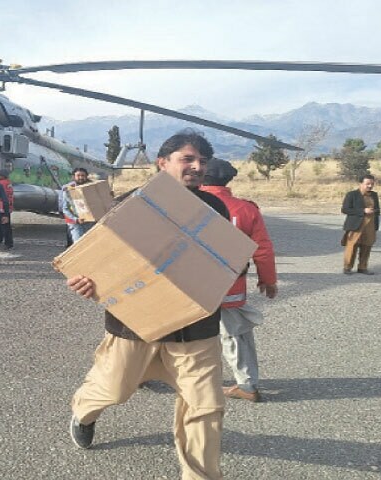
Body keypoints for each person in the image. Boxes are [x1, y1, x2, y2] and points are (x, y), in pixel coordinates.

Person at [67, 131, 230, 480]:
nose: (197, 167)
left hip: (196, 328)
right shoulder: (131, 203)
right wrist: (85, 281)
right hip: (135, 324)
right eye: (187, 159)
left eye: (202, 161)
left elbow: (229, 261)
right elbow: (92, 260)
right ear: (163, 163)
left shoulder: (215, 208)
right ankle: (83, 412)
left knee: (206, 407)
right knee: (115, 388)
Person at [200, 158, 278, 403]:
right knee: (236, 333)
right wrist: (268, 280)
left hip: (187, 287)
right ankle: (247, 383)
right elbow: (262, 249)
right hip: (229, 286)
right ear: (229, 179)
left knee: (172, 330)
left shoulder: (187, 204)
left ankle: (143, 373)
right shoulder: (246, 209)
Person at [341, 174, 380, 275]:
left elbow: (378, 210)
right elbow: (345, 209)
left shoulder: (374, 195)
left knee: (367, 246)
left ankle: (363, 267)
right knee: (352, 246)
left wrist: (377, 223)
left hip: (370, 226)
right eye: (367, 184)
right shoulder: (352, 194)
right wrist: (363, 210)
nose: (370, 186)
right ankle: (347, 267)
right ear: (361, 184)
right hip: (356, 225)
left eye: (372, 184)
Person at [61, 167, 94, 244]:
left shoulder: (92, 188)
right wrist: (76, 219)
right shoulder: (68, 190)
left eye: (83, 175)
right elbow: (65, 209)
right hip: (75, 223)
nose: (81, 178)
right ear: (74, 177)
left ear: (86, 176)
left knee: (90, 244)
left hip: (90, 222)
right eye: (78, 175)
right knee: (78, 244)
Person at [0, 169, 14, 250]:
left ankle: (5, 242)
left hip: (1, 207)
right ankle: (5, 242)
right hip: (7, 207)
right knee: (5, 226)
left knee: (2, 226)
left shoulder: (0, 184)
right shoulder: (8, 183)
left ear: (2, 176)